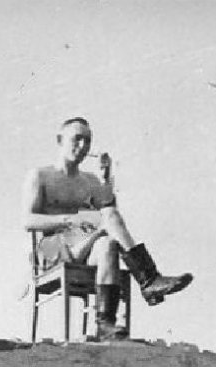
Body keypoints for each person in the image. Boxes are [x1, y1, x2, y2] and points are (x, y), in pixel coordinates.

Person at [23, 116, 193, 341]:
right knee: (106, 223)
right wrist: (69, 220)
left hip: (81, 244)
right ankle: (149, 279)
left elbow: (112, 218)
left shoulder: (90, 180)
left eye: (88, 141)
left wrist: (106, 181)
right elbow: (28, 221)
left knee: (109, 244)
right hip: (52, 248)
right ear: (59, 139)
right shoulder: (40, 176)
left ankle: (106, 323)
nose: (82, 146)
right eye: (77, 139)